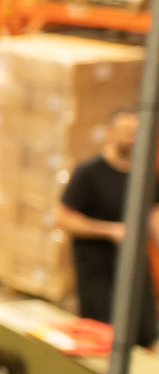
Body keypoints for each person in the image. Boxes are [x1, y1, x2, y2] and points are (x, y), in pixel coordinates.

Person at [57, 109, 159, 347]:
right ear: (110, 134)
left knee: (144, 333)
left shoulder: (145, 175)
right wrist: (109, 230)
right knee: (102, 337)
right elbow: (62, 218)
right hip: (97, 270)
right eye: (126, 132)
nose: (131, 138)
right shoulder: (89, 172)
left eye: (136, 133)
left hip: (135, 266)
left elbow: (153, 213)